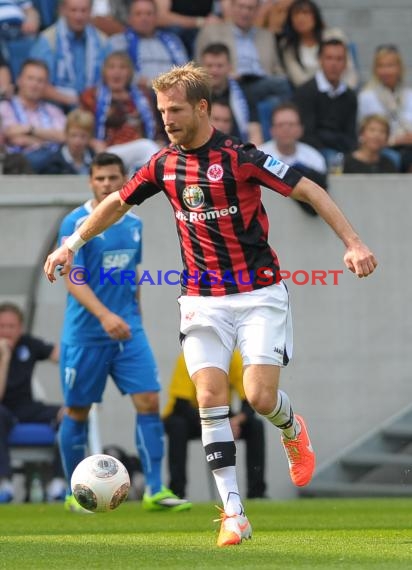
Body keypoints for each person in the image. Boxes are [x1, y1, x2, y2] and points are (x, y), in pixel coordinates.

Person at [44, 63, 377, 546]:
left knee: (260, 398)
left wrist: (353, 242)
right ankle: (233, 513)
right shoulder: (163, 164)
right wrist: (71, 242)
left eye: (175, 109)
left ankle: (290, 426)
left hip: (260, 294)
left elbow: (308, 188)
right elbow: (116, 201)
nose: (167, 120)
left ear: (202, 107)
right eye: (161, 111)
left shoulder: (241, 157)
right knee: (208, 399)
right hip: (202, 300)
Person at [55, 152, 191, 513]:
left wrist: (136, 317)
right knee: (78, 409)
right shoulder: (75, 221)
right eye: (100, 178)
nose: (107, 185)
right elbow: (73, 277)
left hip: (129, 331)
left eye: (113, 178)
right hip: (87, 333)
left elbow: (132, 275)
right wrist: (104, 316)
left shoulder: (134, 222)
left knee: (149, 401)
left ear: (125, 179)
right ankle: (74, 493)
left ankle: (155, 490)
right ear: (90, 181)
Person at [164, 350, 267, 500]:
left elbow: (249, 402)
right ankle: (177, 492)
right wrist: (213, 422)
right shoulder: (187, 357)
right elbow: (181, 405)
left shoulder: (234, 358)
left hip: (221, 412)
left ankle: (257, 492)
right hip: (189, 415)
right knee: (178, 426)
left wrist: (235, 421)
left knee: (256, 426)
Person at [0, 302, 65, 504]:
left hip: (27, 408)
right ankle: (4, 481)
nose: (7, 331)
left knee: (72, 414)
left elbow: (60, 355)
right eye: (2, 326)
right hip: (3, 409)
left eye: (11, 326)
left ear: (20, 328)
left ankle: (58, 482)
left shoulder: (28, 344)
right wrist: (4, 357)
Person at [195, 0, 292, 117]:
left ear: (257, 11)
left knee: (277, 96)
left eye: (250, 8)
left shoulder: (267, 36)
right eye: (241, 7)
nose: (245, 12)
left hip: (262, 84)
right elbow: (198, 65)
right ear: (231, 7)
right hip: (230, 83)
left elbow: (277, 69)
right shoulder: (212, 32)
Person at [80, 51, 161, 174]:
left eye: (122, 67)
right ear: (104, 72)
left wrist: (159, 141)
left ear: (130, 72)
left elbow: (155, 128)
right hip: (107, 150)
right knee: (148, 148)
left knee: (156, 151)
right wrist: (93, 142)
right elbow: (79, 127)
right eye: (111, 67)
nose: (117, 72)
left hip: (139, 151)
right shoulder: (91, 96)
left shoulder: (142, 97)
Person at [29, 0, 106, 111]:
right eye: (73, 10)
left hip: (96, 108)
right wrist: (76, 100)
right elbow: (37, 84)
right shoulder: (48, 40)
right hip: (56, 109)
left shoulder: (102, 41)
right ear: (63, 10)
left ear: (91, 11)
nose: (78, 16)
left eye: (83, 10)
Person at [293, 38, 358, 170]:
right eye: (329, 58)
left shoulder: (350, 96)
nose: (334, 64)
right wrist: (336, 141)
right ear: (320, 61)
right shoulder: (305, 92)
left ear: (346, 63)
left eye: (339, 59)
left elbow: (351, 136)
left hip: (343, 152)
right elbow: (307, 135)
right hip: (313, 152)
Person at [259, 101, 327, 215]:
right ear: (272, 130)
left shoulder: (314, 158)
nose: (286, 129)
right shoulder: (259, 154)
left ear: (300, 129)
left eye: (291, 124)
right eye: (281, 125)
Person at [105, 0, 188, 91]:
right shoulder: (118, 42)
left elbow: (185, 71)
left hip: (173, 95)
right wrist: (152, 84)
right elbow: (116, 74)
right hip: (137, 97)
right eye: (138, 14)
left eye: (149, 14)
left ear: (156, 17)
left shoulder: (173, 41)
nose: (144, 18)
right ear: (129, 18)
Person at [0, 58, 66, 173]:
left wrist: (30, 130)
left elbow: (65, 136)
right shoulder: (4, 108)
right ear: (19, 80)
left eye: (40, 81)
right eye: (30, 79)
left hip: (53, 167)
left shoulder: (54, 111)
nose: (35, 84)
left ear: (46, 85)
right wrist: (48, 139)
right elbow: (12, 136)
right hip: (17, 169)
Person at [277, 0, 359, 90]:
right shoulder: (287, 45)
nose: (301, 18)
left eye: (306, 13)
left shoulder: (334, 35)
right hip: (310, 94)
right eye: (296, 14)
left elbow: (350, 71)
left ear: (315, 16)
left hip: (341, 90)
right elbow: (298, 80)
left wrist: (344, 91)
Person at [358, 44, 412, 172]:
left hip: (409, 146)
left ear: (399, 68)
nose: (386, 71)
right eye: (381, 66)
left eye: (390, 66)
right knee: (394, 158)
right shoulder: (366, 96)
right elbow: (362, 133)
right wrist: (394, 140)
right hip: (383, 148)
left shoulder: (409, 95)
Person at [200, 42, 262, 145]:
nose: (214, 71)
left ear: (229, 67)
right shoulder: (194, 94)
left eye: (219, 66)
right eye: (209, 66)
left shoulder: (244, 92)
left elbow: (254, 132)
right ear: (201, 68)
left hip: (237, 151)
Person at [40, 108, 95, 174]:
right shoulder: (53, 164)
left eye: (83, 136)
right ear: (66, 135)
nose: (77, 141)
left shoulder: (95, 160)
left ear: (90, 137)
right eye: (73, 135)